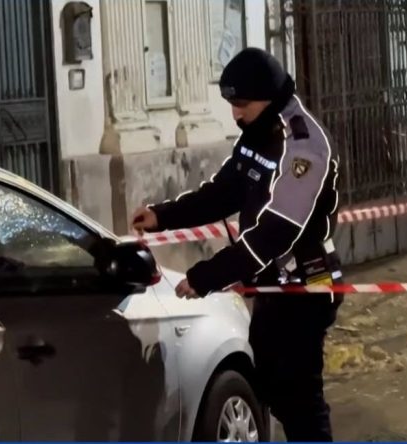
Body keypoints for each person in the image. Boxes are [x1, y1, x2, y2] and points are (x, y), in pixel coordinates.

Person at [131, 47, 343, 442]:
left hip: (308, 284)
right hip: (271, 285)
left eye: (241, 104)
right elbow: (225, 192)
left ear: (267, 95)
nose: (235, 113)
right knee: (272, 385)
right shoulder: (256, 134)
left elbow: (277, 231)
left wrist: (208, 275)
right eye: (230, 103)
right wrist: (162, 216)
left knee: (299, 396)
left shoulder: (303, 144)